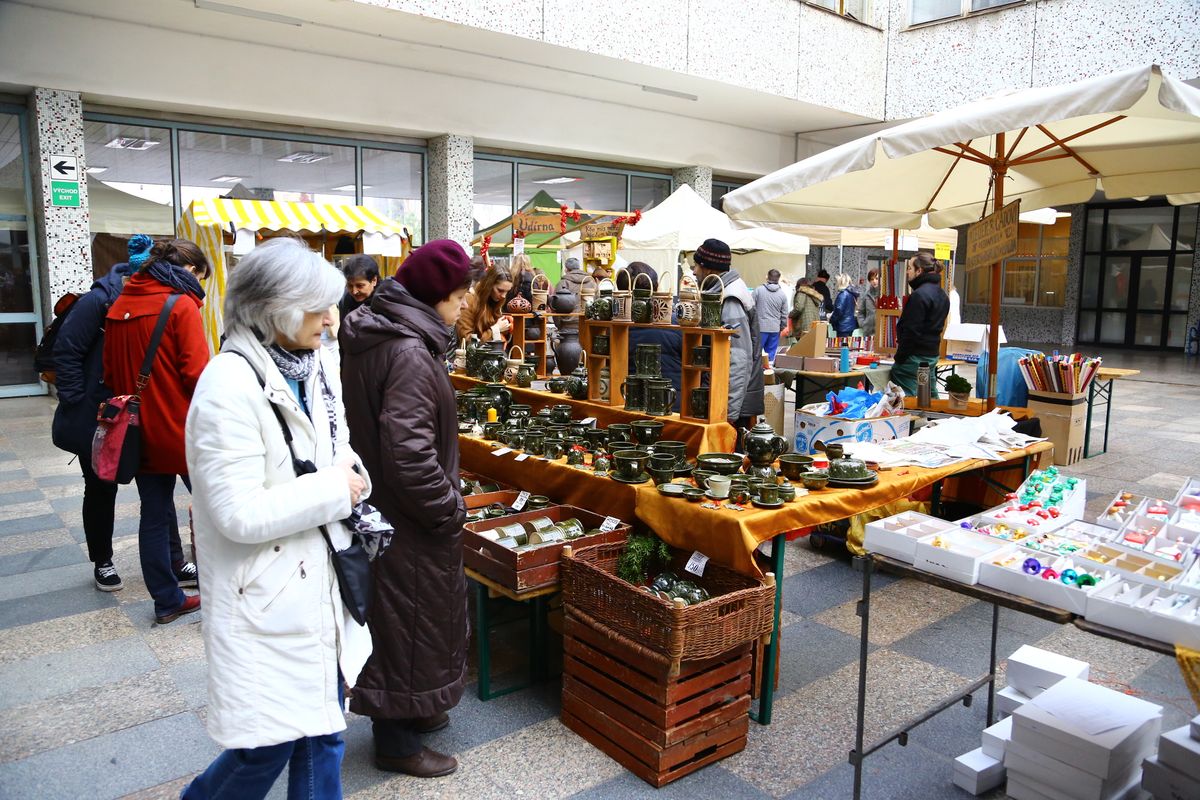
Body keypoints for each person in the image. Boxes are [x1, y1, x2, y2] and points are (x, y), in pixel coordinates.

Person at [182, 237, 371, 800]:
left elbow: (323, 451)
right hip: (268, 596)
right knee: (266, 749)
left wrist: (350, 475)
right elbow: (236, 512)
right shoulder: (227, 385)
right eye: (317, 307)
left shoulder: (306, 365)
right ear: (276, 309)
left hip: (317, 582)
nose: (330, 318)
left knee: (322, 735)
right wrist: (336, 490)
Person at [340, 241, 473, 778]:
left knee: (401, 618)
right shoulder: (410, 352)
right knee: (408, 619)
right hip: (408, 515)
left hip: (383, 506)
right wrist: (449, 510)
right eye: (461, 295)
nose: (465, 304)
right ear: (437, 295)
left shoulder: (385, 333)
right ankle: (395, 740)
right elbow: (409, 453)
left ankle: (413, 712)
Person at [103, 239, 209, 624]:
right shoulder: (181, 306)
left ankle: (166, 600)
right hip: (182, 430)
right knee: (216, 508)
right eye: (199, 275)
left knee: (154, 514)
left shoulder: (118, 306)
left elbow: (112, 375)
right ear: (186, 270)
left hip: (136, 432)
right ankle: (231, 587)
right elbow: (198, 377)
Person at [51, 235, 154, 591]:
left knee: (154, 485)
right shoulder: (98, 300)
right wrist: (78, 402)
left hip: (140, 410)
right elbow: (66, 353)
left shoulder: (153, 301)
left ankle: (170, 560)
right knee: (99, 487)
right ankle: (103, 560)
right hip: (99, 412)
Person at [691, 238, 763, 428]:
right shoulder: (724, 291)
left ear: (709, 268)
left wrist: (729, 412)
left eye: (696, 265)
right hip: (729, 399)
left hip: (733, 406)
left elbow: (739, 357)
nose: (694, 271)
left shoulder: (730, 297)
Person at [618, 263, 683, 409]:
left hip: (631, 402)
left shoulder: (616, 325)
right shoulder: (677, 323)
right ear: (656, 287)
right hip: (673, 402)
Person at [892, 252, 950, 397]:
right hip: (931, 355)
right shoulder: (942, 295)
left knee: (905, 398)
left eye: (910, 268)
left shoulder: (919, 295)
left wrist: (900, 358)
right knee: (928, 396)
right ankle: (935, 418)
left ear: (919, 271)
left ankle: (908, 420)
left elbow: (912, 331)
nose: (907, 271)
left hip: (914, 357)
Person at [457, 266, 513, 344]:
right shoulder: (468, 301)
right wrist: (496, 330)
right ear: (488, 285)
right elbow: (467, 341)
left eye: (507, 291)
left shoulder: (494, 301)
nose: (503, 296)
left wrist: (506, 326)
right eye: (500, 290)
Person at [752, 269, 789, 362]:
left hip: (760, 327)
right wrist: (782, 327)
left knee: (757, 354)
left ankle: (757, 375)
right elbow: (784, 314)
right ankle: (768, 374)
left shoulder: (758, 290)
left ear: (767, 277)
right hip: (775, 329)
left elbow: (750, 307)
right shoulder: (782, 295)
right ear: (778, 279)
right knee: (770, 356)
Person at [338, 254, 380, 319]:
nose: (354, 292)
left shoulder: (386, 302)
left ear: (374, 281)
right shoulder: (345, 299)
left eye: (360, 286)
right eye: (350, 286)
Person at [789, 278, 825, 342]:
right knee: (812, 346)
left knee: (804, 347)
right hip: (814, 324)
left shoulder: (801, 293)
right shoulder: (813, 294)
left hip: (805, 325)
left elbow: (799, 308)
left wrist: (790, 314)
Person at [856, 268, 879, 336]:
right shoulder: (865, 295)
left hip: (883, 333)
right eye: (872, 279)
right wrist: (863, 324)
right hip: (868, 332)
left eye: (877, 278)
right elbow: (860, 312)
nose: (874, 281)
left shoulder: (886, 294)